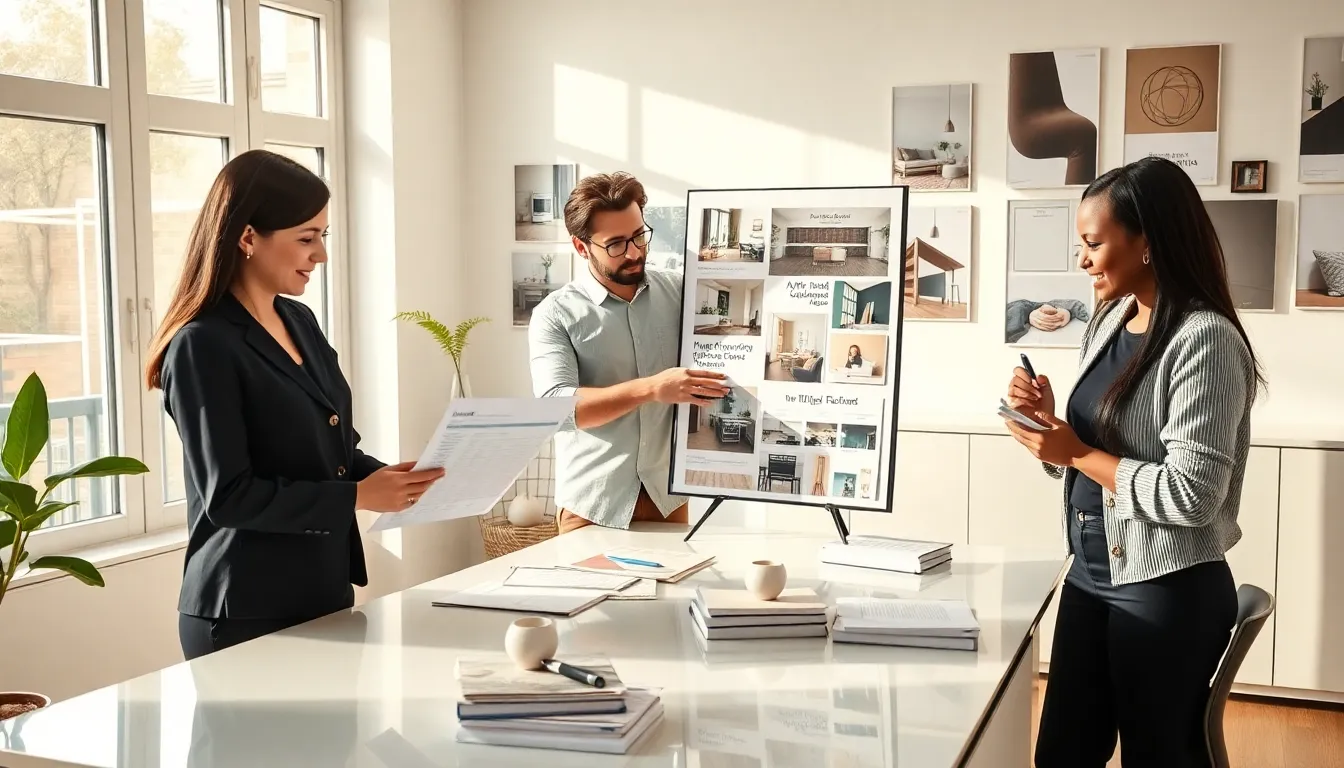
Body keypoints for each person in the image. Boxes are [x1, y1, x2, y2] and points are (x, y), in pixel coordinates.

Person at [1002, 156, 1263, 767]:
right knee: (1063, 754)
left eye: (1093, 243)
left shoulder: (1205, 339)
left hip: (1165, 589)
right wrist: (1051, 427)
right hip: (1090, 575)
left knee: (1157, 756)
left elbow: (1191, 495)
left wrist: (1078, 451)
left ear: (1147, 240)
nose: (1082, 260)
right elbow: (1086, 454)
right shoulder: (1109, 319)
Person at [144, 149, 444, 660]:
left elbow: (333, 450)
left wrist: (400, 479)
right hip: (244, 608)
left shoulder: (300, 321)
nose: (320, 254)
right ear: (247, 238)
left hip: (322, 591)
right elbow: (230, 495)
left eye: (322, 236)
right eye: (306, 238)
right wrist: (358, 496)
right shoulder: (202, 344)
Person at [528, 172, 729, 534]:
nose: (635, 251)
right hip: (592, 505)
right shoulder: (555, 313)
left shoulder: (681, 294)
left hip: (667, 500)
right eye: (617, 244)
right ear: (581, 247)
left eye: (639, 235)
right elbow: (554, 409)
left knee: (674, 593)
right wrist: (651, 389)